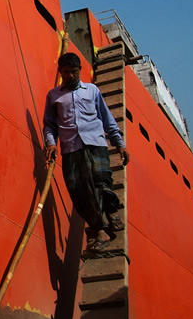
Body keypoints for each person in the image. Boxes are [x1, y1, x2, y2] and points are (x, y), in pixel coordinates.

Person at [42, 52, 129, 253]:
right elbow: (49, 125)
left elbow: (107, 119)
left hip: (95, 143)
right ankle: (103, 220)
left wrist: (120, 144)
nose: (71, 76)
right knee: (78, 190)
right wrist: (51, 143)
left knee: (101, 180)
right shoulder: (54, 96)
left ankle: (102, 226)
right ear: (60, 72)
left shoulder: (92, 91)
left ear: (80, 70)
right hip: (71, 147)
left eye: (74, 72)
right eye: (67, 73)